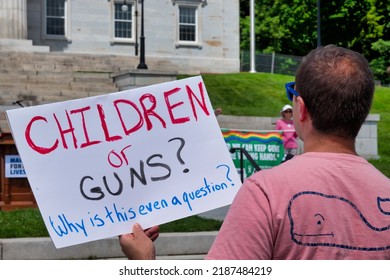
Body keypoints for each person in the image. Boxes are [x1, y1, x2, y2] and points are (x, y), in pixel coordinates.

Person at [119, 45, 390, 260]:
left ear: (301, 108)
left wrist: (144, 261)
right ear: (363, 112)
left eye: (291, 94)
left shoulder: (266, 193)